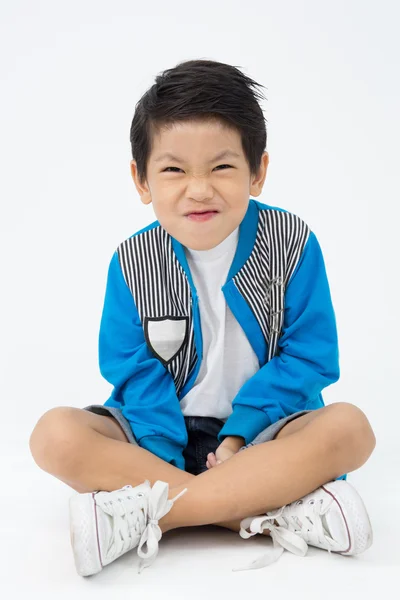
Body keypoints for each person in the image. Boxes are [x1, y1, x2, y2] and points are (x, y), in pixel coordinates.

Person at [29, 58, 376, 577]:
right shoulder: (131, 263)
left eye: (222, 167)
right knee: (53, 435)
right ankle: (273, 509)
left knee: (352, 429)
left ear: (257, 171)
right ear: (141, 180)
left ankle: (148, 513)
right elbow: (131, 370)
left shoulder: (293, 244)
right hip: (152, 441)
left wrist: (238, 437)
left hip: (265, 436)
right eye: (174, 169)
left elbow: (310, 356)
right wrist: (163, 454)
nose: (198, 188)